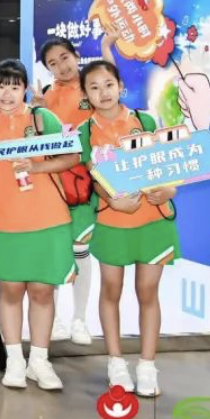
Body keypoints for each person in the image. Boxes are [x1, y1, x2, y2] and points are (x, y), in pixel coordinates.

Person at [0, 59, 79, 391]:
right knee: (11, 290)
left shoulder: (43, 119)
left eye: (15, 87)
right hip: (5, 222)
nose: (7, 93)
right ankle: (15, 360)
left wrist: (37, 166)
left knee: (43, 292)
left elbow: (72, 156)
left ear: (25, 90)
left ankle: (40, 361)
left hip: (49, 220)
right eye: (1, 86)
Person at [78, 60, 178, 397]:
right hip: (112, 221)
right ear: (86, 94)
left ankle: (147, 365)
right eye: (94, 87)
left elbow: (168, 166)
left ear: (120, 86)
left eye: (108, 84)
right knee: (111, 289)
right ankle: (116, 363)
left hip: (153, 220)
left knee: (148, 292)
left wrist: (170, 190)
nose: (103, 92)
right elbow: (93, 177)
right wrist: (112, 200)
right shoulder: (86, 131)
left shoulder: (145, 121)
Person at [33, 37, 96, 345]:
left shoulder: (92, 87)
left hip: (84, 183)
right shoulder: (46, 95)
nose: (61, 66)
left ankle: (80, 319)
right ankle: (54, 318)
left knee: (81, 249)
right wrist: (38, 111)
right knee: (55, 251)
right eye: (52, 63)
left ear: (76, 55)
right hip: (53, 183)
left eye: (64, 58)